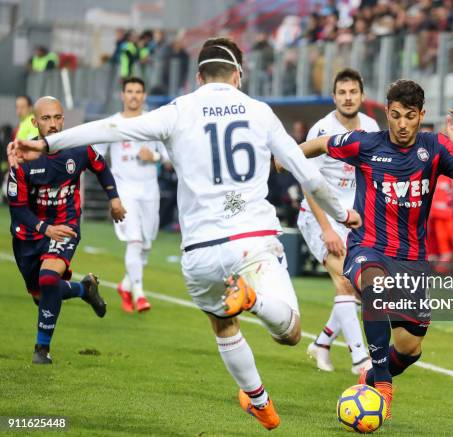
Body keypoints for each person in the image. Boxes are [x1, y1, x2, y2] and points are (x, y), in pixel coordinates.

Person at [8, 37, 361, 431]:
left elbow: (109, 127)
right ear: (237, 75)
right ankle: (255, 299)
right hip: (253, 239)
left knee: (223, 323)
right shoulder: (260, 112)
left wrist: (46, 142)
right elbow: (306, 173)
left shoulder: (177, 110)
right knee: (291, 332)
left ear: (197, 76)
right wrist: (342, 211)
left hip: (200, 251)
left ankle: (260, 401)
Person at [293, 80, 453, 417]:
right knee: (373, 284)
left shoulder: (437, 148)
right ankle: (381, 380)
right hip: (368, 247)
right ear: (386, 113)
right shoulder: (366, 144)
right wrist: (286, 158)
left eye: (409, 116)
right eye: (395, 115)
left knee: (410, 349)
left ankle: (374, 373)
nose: (401, 124)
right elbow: (322, 143)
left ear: (421, 115)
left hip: (411, 259)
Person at [7, 96, 126, 364]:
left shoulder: (78, 149)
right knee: (41, 295)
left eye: (57, 117)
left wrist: (114, 198)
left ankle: (41, 349)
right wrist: (43, 228)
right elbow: (18, 208)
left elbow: (101, 167)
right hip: (28, 234)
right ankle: (85, 290)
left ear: (63, 119)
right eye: (46, 118)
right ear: (34, 121)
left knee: (49, 280)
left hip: (66, 226)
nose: (52, 124)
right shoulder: (22, 159)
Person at [298, 68, 378, 375]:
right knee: (346, 282)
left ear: (361, 96)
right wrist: (327, 228)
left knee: (361, 288)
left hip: (355, 220)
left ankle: (322, 343)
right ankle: (362, 362)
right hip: (320, 217)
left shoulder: (370, 127)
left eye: (353, 92)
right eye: (342, 93)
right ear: (334, 97)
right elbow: (308, 183)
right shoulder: (321, 130)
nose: (347, 98)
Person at [95, 77, 169, 313]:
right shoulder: (113, 124)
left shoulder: (153, 123)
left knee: (146, 243)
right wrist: (110, 191)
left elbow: (169, 156)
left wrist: (155, 157)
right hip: (125, 191)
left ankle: (125, 284)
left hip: (150, 190)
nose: (134, 95)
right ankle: (139, 292)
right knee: (135, 241)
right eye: (130, 91)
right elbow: (96, 157)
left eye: (138, 91)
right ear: (122, 95)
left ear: (144, 96)